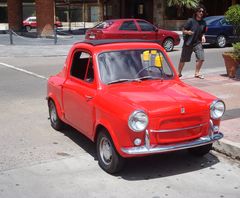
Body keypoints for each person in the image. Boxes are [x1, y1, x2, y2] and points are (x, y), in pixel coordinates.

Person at [178, 5, 207, 79]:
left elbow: (203, 32)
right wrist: (187, 32)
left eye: (202, 11)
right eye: (199, 11)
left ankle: (197, 73)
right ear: (196, 12)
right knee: (183, 59)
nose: (201, 13)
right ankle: (179, 73)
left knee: (201, 58)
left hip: (197, 43)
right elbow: (183, 30)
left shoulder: (203, 22)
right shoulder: (190, 20)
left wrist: (203, 36)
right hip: (188, 43)